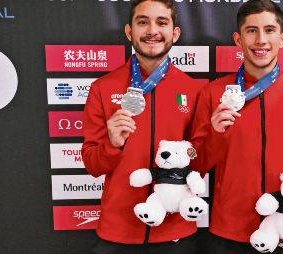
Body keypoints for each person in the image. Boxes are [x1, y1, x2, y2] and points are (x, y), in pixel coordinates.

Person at [190, 0, 283, 253]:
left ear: (282, 38)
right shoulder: (213, 93)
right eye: (251, 30)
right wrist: (215, 133)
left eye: (269, 30)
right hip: (229, 228)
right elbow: (197, 164)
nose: (260, 39)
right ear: (238, 39)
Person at [82, 0, 203, 253]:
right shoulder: (103, 88)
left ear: (175, 33)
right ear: (129, 31)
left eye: (162, 22)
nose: (152, 31)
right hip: (118, 232)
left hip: (175, 231)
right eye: (142, 22)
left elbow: (201, 160)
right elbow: (93, 165)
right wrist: (112, 144)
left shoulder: (193, 90)